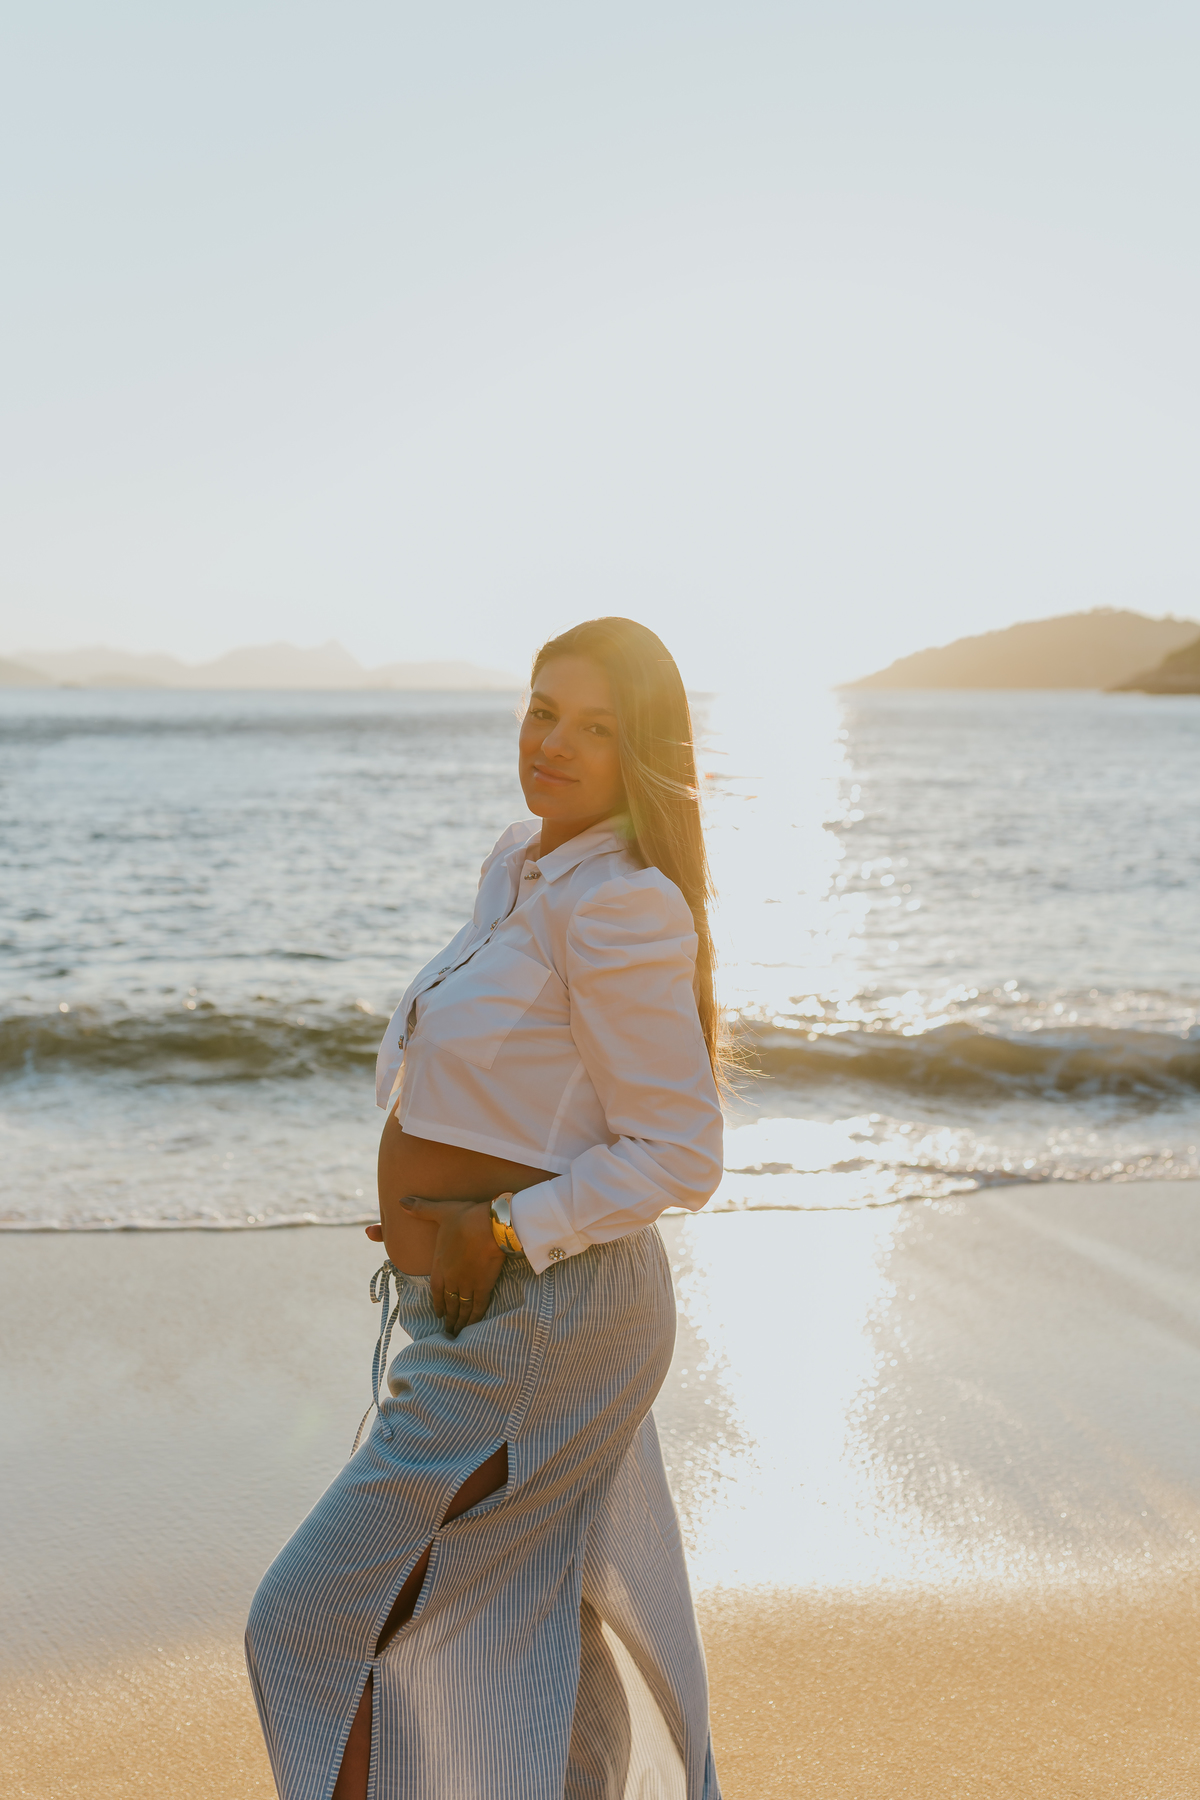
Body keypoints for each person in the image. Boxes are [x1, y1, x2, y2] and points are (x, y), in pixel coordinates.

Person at [245, 616, 725, 1800]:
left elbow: (682, 1151)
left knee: (311, 1625)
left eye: (595, 729)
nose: (552, 742)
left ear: (642, 756)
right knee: (536, 1631)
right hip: (473, 1304)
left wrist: (500, 1224)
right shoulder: (521, 862)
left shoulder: (622, 902)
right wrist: (434, 1209)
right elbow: (526, 1091)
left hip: (549, 1316)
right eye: (540, 709)